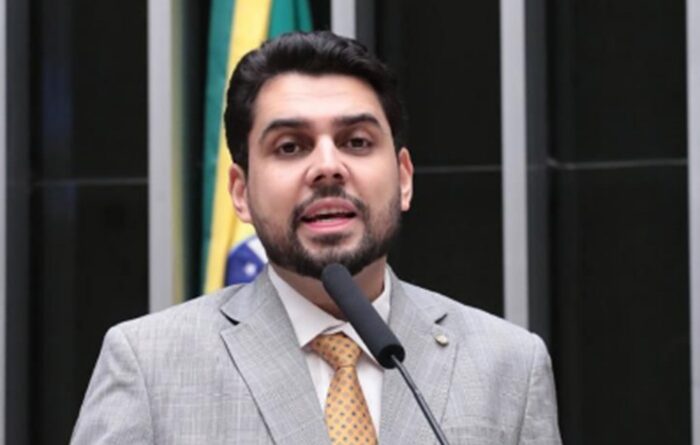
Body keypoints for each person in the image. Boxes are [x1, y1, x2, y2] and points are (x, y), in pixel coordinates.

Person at [71, 31, 562, 444]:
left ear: (403, 178)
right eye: (290, 147)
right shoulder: (148, 365)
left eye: (357, 142)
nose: (328, 166)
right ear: (240, 193)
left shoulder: (509, 366)